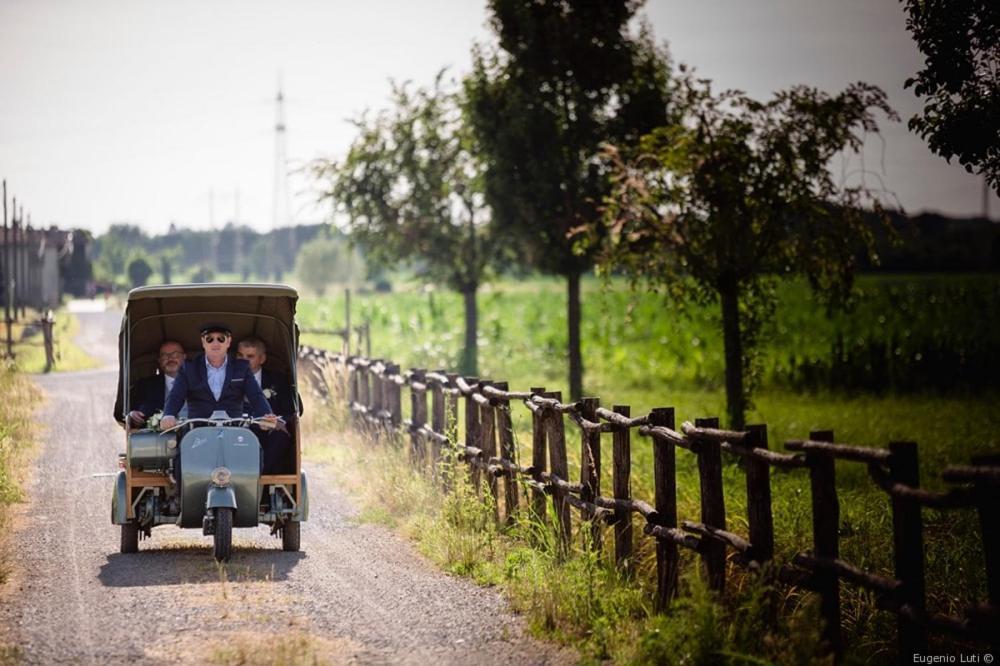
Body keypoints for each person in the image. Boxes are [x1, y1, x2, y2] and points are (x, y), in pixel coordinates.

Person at [159, 323, 276, 430]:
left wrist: (266, 415)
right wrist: (169, 414)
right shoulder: (189, 368)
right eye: (209, 339)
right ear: (203, 342)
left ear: (228, 341)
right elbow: (175, 396)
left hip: (234, 431)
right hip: (198, 433)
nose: (215, 343)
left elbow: (256, 395)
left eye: (221, 339)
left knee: (254, 451)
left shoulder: (242, 367)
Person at [236, 336, 296, 473]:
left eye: (249, 356)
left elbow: (290, 411)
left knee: (281, 435)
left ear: (262, 359)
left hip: (267, 432)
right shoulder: (227, 378)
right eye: (240, 355)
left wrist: (274, 421)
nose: (243, 361)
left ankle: (263, 478)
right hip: (237, 430)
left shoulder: (278, 380)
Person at [128, 340, 185, 428]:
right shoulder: (145, 385)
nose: (170, 358)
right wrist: (133, 416)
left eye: (175, 354)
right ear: (159, 360)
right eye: (164, 356)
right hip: (158, 438)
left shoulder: (200, 382)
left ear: (184, 357)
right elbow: (134, 413)